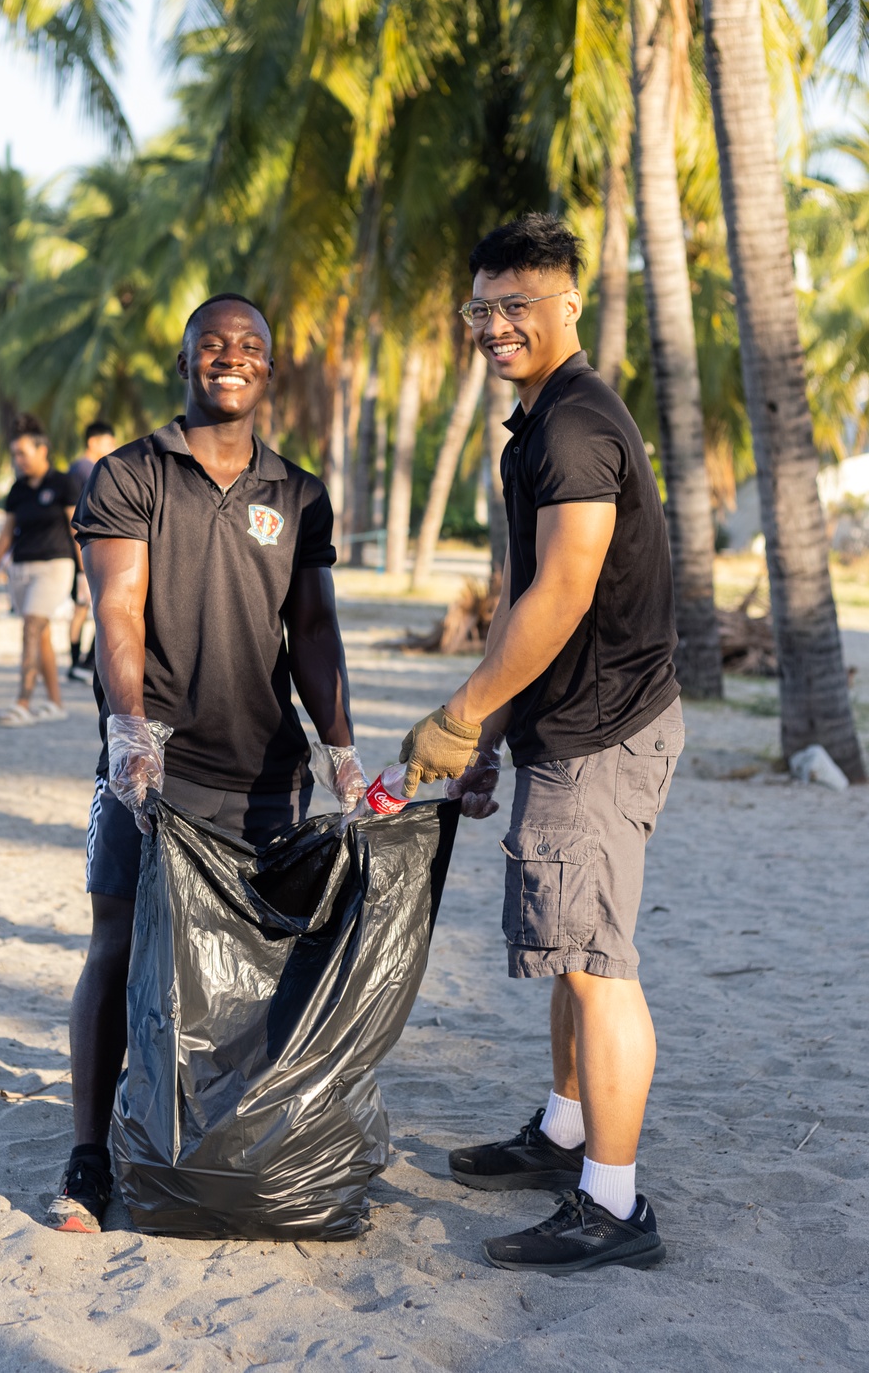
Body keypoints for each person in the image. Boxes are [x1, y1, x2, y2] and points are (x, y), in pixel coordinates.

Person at [399, 213, 684, 1275]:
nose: (496, 324)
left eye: (518, 304)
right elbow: (528, 592)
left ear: (568, 301)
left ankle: (613, 1203)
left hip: (603, 730)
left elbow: (562, 589)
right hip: (569, 721)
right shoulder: (543, 420)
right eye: (482, 306)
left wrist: (463, 711)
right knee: (572, 946)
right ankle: (565, 1131)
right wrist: (491, 731)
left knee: (598, 962)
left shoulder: (570, 427)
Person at [46, 292, 366, 1233]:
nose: (232, 356)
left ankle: (227, 1148)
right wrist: (130, 733)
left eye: (251, 345)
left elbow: (312, 626)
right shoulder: (131, 473)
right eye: (213, 344)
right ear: (186, 361)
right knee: (118, 945)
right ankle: (88, 1157)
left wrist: (341, 747)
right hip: (158, 770)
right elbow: (117, 609)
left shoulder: (299, 493)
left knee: (260, 966)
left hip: (267, 775)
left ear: (270, 369)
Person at [0, 414, 83, 727]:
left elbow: (76, 529)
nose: (17, 460)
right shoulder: (17, 490)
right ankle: (55, 703)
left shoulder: (63, 483)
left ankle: (22, 702)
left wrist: (85, 573)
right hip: (21, 569)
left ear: (42, 450)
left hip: (55, 567)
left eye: (22, 453)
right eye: (14, 455)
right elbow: (5, 535)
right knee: (42, 634)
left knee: (31, 627)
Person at [67, 421, 117, 684]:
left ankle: (77, 664)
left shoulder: (78, 468)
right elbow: (73, 517)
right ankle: (81, 664)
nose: (112, 448)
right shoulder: (87, 470)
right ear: (93, 442)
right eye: (108, 443)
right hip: (83, 550)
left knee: (83, 608)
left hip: (81, 551)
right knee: (91, 607)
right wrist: (81, 562)